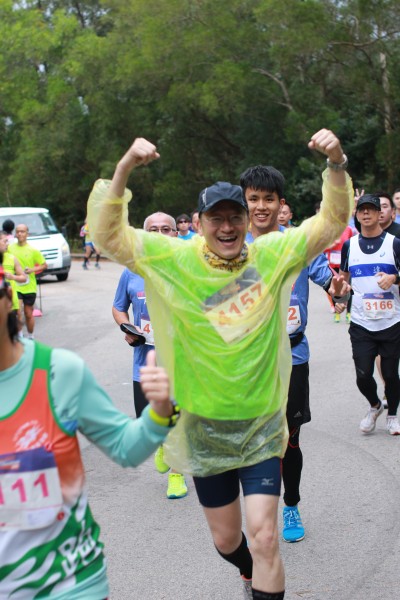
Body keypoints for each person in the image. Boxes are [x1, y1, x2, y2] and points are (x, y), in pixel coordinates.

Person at [87, 129, 353, 600]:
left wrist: (335, 163)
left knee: (265, 537)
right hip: (204, 431)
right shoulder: (174, 258)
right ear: (200, 222)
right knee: (229, 541)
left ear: (248, 219)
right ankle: (245, 570)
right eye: (216, 219)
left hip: (261, 427)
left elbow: (331, 223)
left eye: (235, 217)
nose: (227, 227)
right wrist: (124, 167)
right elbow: (107, 235)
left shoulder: (272, 255)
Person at [0, 253, 176, 599]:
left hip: (69, 584)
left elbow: (125, 448)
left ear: (8, 298)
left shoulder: (58, 372)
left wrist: (160, 413)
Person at [241, 168, 350, 544]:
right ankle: (260, 509)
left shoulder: (298, 246)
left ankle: (291, 504)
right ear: (244, 202)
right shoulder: (231, 246)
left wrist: (339, 289)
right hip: (245, 362)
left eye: (268, 199)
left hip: (292, 357)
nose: (261, 206)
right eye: (253, 198)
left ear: (280, 203)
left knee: (289, 440)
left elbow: (332, 285)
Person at [112, 211, 188, 499]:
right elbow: (118, 307)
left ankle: (177, 476)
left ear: (175, 234)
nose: (159, 234)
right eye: (153, 230)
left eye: (166, 229)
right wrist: (126, 327)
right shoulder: (131, 271)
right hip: (145, 360)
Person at [337, 193, 400, 436]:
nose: (366, 213)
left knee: (391, 374)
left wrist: (393, 278)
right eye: (361, 209)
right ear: (357, 214)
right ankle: (375, 405)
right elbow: (343, 280)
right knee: (363, 375)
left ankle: (392, 415)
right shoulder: (349, 245)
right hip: (361, 323)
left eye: (371, 209)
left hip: (391, 322)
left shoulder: (394, 244)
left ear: (379, 214)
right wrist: (340, 299)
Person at [8, 223, 47, 339]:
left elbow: (44, 265)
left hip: (29, 285)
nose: (20, 234)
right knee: (17, 312)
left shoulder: (33, 250)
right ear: (15, 234)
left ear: (27, 234)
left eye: (22, 231)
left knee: (28, 314)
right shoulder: (10, 248)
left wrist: (32, 270)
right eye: (18, 231)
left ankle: (31, 336)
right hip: (15, 284)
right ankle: (20, 336)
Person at [0, 231, 28, 322]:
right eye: (5, 241)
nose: (7, 244)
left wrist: (13, 277)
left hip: (10, 301)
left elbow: (24, 278)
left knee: (12, 324)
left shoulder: (11, 258)